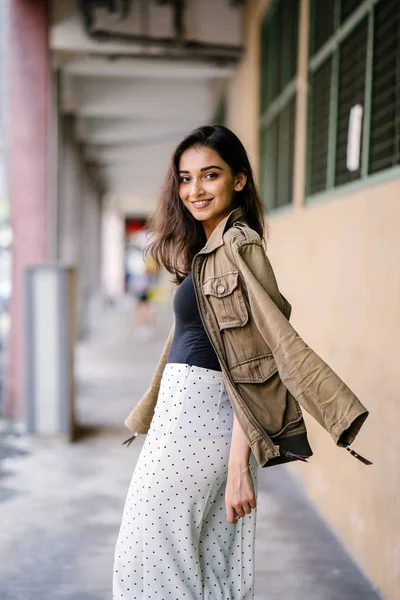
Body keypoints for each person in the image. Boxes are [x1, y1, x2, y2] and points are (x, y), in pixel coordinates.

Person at [113, 125, 371, 599]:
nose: (194, 190)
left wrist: (239, 466)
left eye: (209, 175)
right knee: (204, 568)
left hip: (201, 428)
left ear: (239, 181)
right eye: (185, 179)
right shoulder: (208, 251)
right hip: (185, 423)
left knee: (148, 566)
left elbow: (261, 361)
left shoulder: (238, 245)